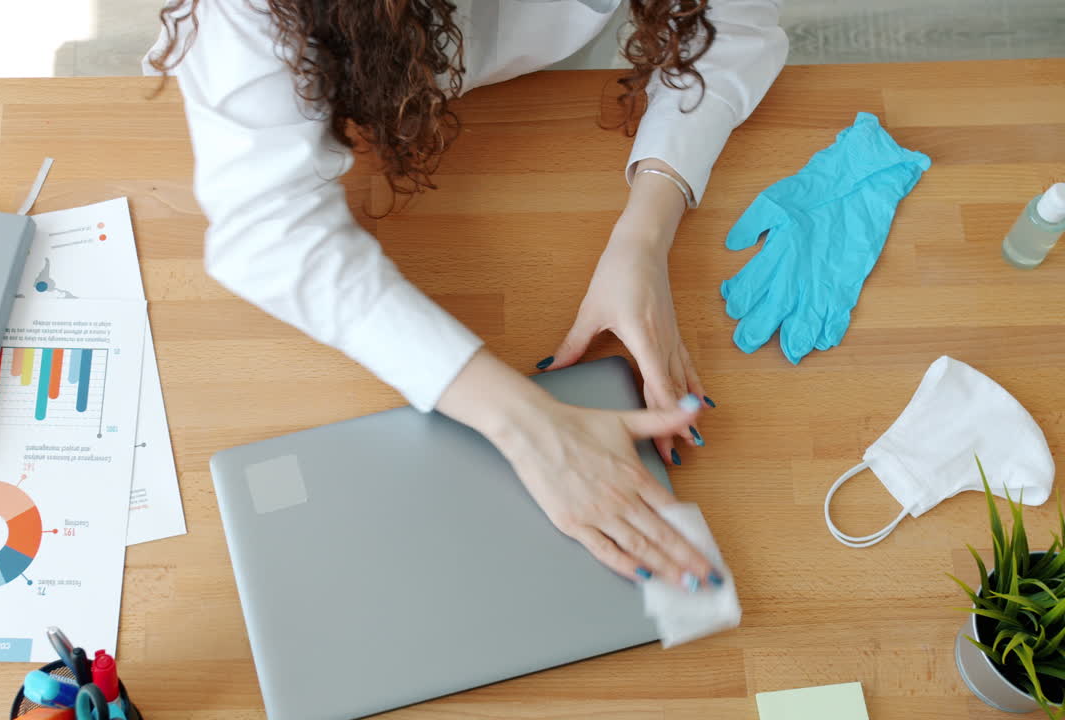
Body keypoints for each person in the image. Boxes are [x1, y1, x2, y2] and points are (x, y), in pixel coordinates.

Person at [145, 0, 787, 591]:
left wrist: (644, 235)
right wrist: (530, 427)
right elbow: (269, 229)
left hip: (547, 80)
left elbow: (730, 20)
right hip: (363, 75)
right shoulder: (244, 17)